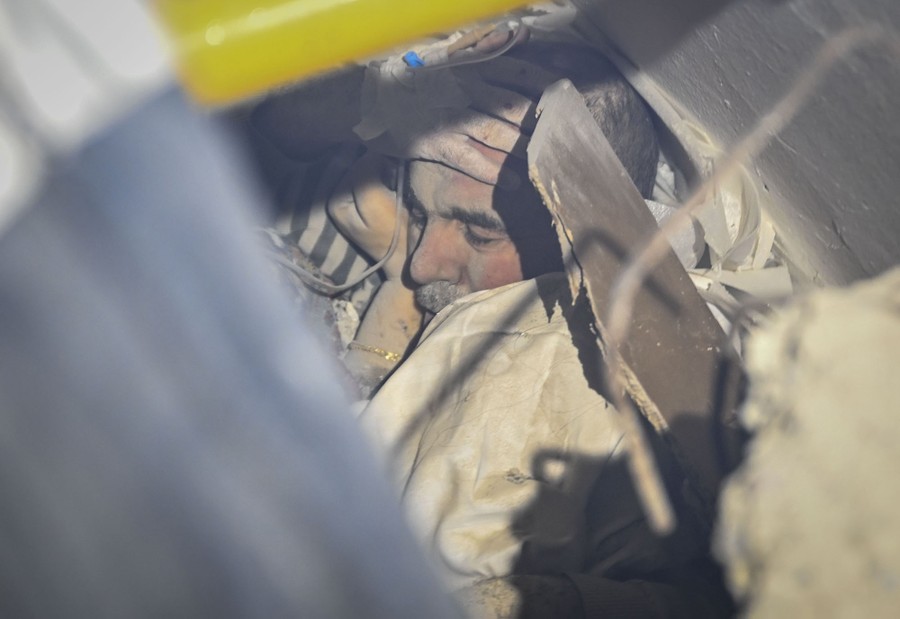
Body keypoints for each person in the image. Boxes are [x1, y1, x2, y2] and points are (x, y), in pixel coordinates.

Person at [250, 32, 729, 617]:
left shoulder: (582, 368)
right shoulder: (374, 232)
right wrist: (377, 100)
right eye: (419, 211)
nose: (423, 264)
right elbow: (254, 143)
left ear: (577, 239)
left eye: (480, 234)